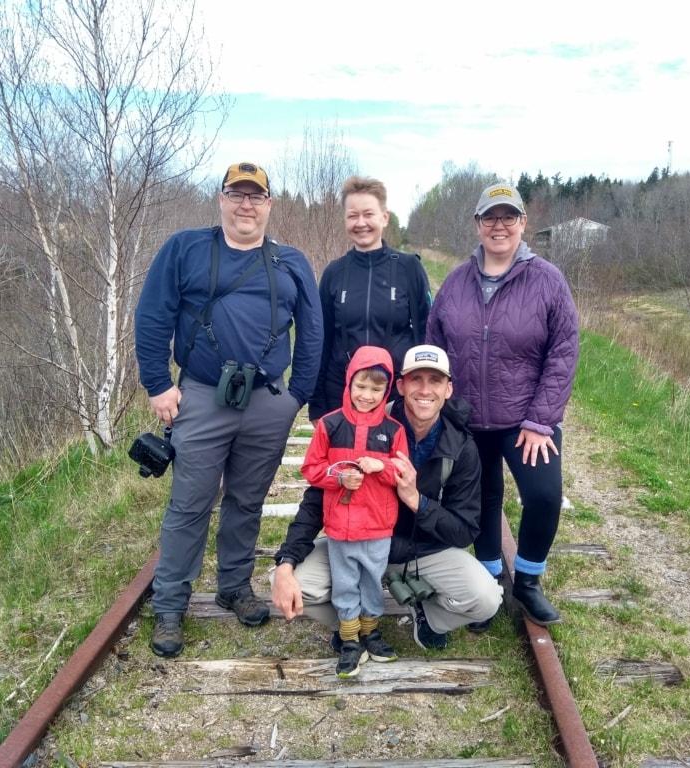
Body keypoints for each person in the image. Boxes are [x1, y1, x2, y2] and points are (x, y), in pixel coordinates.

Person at [134, 161, 323, 657]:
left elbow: (313, 331)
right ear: (220, 200)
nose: (245, 205)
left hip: (266, 401)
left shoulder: (292, 262)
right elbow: (153, 314)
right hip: (200, 393)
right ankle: (171, 605)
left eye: (255, 196)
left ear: (269, 205)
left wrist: (296, 396)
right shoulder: (185, 248)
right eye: (236, 195)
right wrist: (157, 384)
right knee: (190, 502)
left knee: (246, 499)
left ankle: (235, 586)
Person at [271, 344, 503, 651]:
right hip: (355, 540)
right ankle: (350, 623)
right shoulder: (363, 422)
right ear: (401, 385)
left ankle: (427, 615)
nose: (425, 390)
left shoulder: (461, 446)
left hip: (423, 553)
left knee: (486, 598)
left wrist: (416, 500)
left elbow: (464, 531)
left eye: (434, 380)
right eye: (416, 379)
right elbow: (318, 496)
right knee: (284, 581)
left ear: (448, 389)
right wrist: (287, 560)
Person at [426, 183, 579, 628]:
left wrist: (540, 420)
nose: (499, 226)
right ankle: (491, 581)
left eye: (508, 217)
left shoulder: (547, 280)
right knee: (482, 499)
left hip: (526, 420)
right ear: (477, 225)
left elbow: (564, 351)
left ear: (522, 224)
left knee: (545, 496)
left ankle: (528, 582)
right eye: (490, 217)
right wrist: (441, 411)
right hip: (469, 422)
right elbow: (435, 347)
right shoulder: (455, 282)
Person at [301, 345, 408, 677]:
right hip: (340, 527)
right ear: (349, 382)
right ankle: (349, 639)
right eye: (361, 386)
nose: (367, 395)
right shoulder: (330, 424)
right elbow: (311, 468)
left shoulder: (394, 430)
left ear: (387, 390)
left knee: (372, 581)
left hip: (378, 525)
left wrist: (382, 465)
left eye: (377, 389)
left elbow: (404, 473)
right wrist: (337, 477)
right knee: (346, 582)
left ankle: (370, 631)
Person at [309, 175, 432, 422]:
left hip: (395, 398)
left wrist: (422, 391)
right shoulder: (334, 272)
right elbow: (322, 340)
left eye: (368, 214)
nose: (361, 222)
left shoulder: (409, 268)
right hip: (341, 394)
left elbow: (425, 335)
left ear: (384, 217)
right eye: (353, 215)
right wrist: (317, 404)